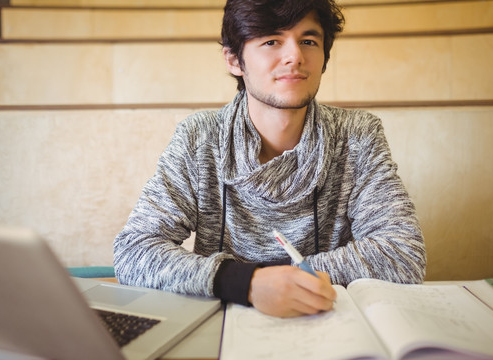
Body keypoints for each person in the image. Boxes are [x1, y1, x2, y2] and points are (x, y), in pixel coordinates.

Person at [114, 0, 426, 318]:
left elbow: (404, 254)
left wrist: (282, 282)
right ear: (234, 59)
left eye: (308, 41)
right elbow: (134, 251)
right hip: (223, 326)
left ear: (324, 57)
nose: (295, 56)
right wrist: (247, 283)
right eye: (271, 41)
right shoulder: (199, 138)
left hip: (330, 325)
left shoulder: (357, 135)